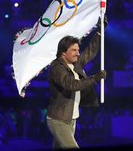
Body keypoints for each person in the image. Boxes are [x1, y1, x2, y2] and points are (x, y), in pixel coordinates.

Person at [46, 17, 107, 149]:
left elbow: (90, 52)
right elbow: (71, 84)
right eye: (74, 50)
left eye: (78, 50)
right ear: (63, 52)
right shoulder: (57, 67)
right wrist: (94, 78)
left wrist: (99, 32)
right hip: (59, 120)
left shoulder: (74, 64)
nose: (78, 53)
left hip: (71, 118)